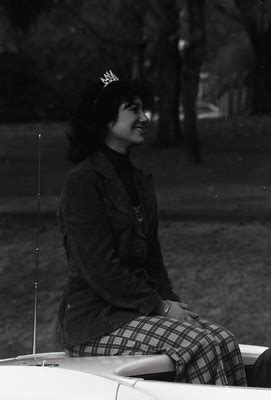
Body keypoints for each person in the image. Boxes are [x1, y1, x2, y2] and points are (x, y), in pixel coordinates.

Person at [56, 70, 247, 385]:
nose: (144, 117)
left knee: (223, 339)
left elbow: (152, 259)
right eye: (134, 109)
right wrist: (160, 306)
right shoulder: (83, 182)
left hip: (136, 311)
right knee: (198, 344)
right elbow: (100, 270)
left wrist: (173, 304)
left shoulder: (137, 181)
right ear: (105, 120)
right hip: (94, 321)